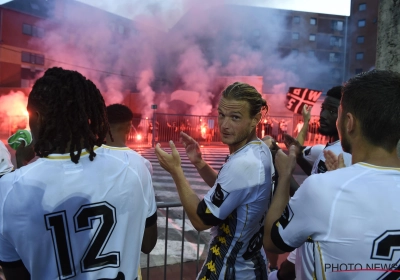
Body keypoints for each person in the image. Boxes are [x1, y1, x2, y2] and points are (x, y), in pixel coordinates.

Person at [0, 67, 157, 280]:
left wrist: (21, 163)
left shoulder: (8, 189)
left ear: (37, 117)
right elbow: (148, 243)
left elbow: (18, 273)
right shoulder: (136, 168)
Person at [264, 69, 400, 279]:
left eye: (337, 115)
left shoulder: (323, 189)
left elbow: (273, 242)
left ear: (349, 122)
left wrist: (285, 175)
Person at [155, 82, 274, 279]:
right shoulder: (259, 149)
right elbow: (230, 191)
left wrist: (176, 171)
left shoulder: (244, 163)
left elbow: (201, 220)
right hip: (252, 265)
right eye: (221, 115)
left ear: (255, 119)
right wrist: (200, 163)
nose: (225, 125)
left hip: (229, 269)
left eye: (235, 117)